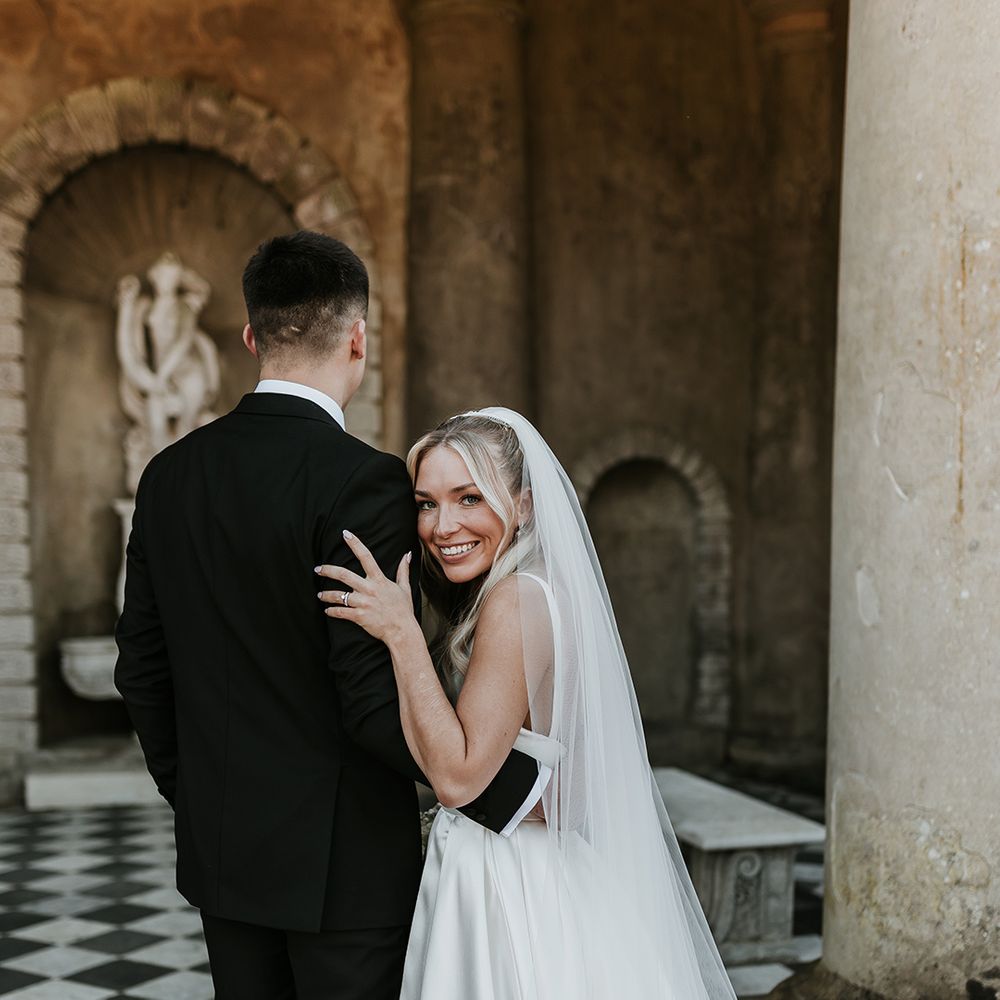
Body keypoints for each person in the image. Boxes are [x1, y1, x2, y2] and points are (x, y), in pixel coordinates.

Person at [114, 232, 539, 1000]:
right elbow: (369, 697)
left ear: (250, 336)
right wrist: (499, 789)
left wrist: (207, 794)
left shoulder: (167, 477)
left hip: (223, 854)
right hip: (346, 870)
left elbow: (141, 672)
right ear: (358, 338)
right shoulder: (364, 481)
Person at [317, 408, 738, 999]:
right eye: (427, 503)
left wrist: (402, 633)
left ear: (524, 504)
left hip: (509, 883)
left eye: (470, 498)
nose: (442, 526)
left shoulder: (515, 601)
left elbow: (460, 778)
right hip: (525, 862)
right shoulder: (532, 591)